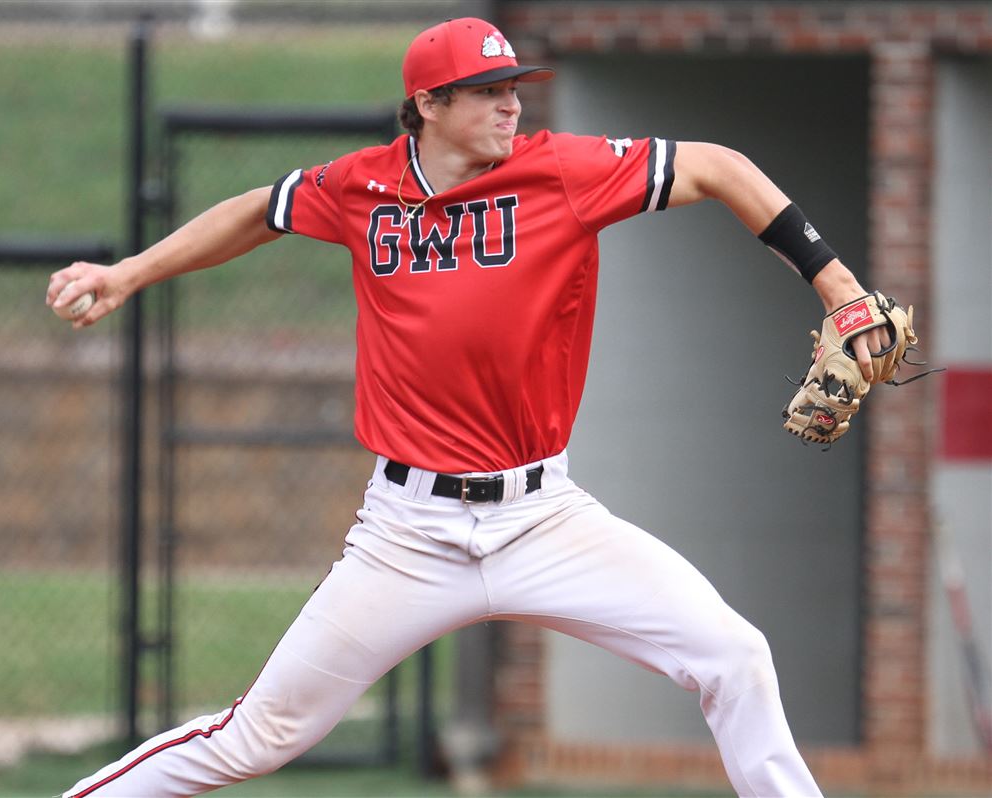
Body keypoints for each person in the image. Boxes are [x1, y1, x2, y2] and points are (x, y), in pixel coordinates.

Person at [50, 17, 887, 798]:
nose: (512, 103)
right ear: (428, 104)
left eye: (513, 87)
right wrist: (124, 275)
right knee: (256, 736)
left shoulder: (560, 171)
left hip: (546, 519)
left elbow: (717, 166)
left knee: (734, 657)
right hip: (406, 536)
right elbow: (257, 212)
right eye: (489, 91)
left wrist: (838, 286)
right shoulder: (360, 187)